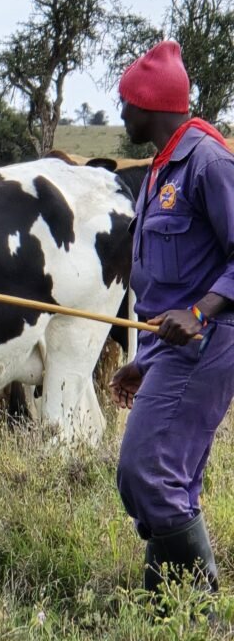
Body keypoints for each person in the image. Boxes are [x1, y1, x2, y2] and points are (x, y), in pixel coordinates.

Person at [109, 40, 234, 595]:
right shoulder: (162, 169)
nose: (121, 114)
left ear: (151, 105)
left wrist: (201, 311)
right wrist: (144, 360)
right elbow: (166, 286)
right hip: (173, 345)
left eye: (127, 103)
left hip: (209, 342)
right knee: (157, 480)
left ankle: (195, 611)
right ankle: (169, 613)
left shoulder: (207, 162)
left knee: (147, 472)